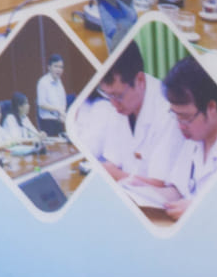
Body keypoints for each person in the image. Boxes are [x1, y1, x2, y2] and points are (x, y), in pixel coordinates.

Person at [69, 40, 184, 183]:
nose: (114, 104)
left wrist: (113, 173)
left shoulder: (168, 110)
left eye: (118, 96)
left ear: (140, 80)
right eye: (108, 95)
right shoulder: (119, 105)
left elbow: (158, 183)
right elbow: (113, 161)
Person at [146, 55, 217, 216]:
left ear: (211, 107)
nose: (180, 125)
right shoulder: (194, 137)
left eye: (186, 117)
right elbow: (178, 191)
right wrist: (144, 193)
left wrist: (200, 209)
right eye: (176, 115)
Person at [34, 54, 69, 136]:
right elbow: (41, 104)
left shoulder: (59, 82)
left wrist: (62, 113)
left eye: (61, 67)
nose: (59, 70)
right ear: (49, 67)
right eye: (56, 66)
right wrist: (58, 110)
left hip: (59, 120)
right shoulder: (43, 82)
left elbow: (63, 101)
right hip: (47, 122)